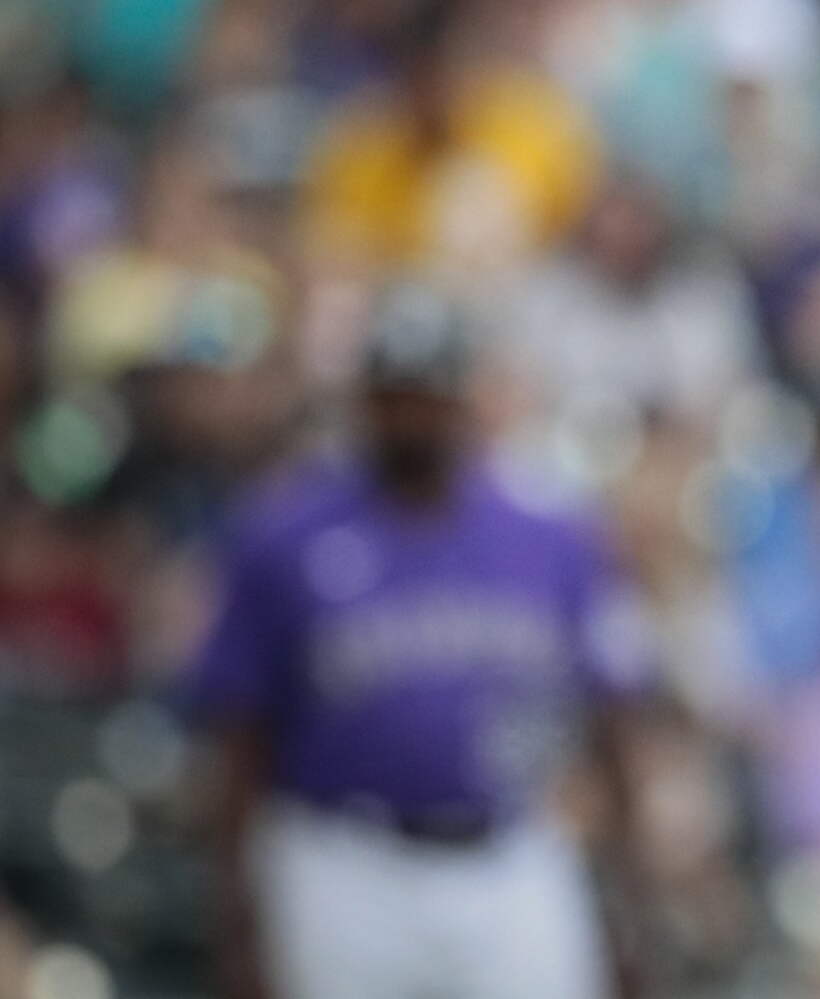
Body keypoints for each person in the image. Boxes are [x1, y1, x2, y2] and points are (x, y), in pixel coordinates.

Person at [185, 283, 651, 999]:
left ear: (466, 395)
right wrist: (238, 915)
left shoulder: (548, 529)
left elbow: (612, 714)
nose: (413, 413)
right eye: (397, 391)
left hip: (510, 849)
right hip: (342, 857)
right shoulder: (286, 532)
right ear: (365, 397)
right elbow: (240, 731)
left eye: (429, 390)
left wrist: (627, 899)